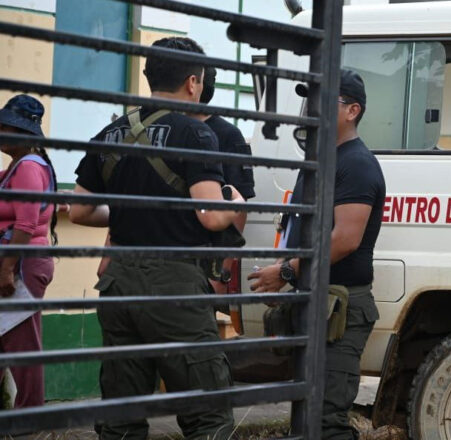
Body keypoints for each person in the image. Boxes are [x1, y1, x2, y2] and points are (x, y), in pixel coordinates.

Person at [69, 37, 242, 440]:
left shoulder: (110, 133)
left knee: (121, 416)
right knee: (208, 413)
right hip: (173, 286)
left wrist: (134, 209)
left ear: (148, 77)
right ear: (194, 83)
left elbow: (79, 211)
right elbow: (213, 216)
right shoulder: (196, 135)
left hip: (118, 282)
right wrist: (232, 200)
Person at [248, 69, 386, 440]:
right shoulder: (323, 160)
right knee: (306, 417)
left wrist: (288, 272)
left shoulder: (355, 163)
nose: (312, 107)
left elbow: (345, 239)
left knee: (325, 422)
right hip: (314, 302)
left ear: (352, 110)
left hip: (339, 308)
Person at [0, 94, 57, 408]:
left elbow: (26, 221)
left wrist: (7, 268)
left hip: (22, 264)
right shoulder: (17, 167)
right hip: (18, 260)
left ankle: (30, 415)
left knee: (21, 342)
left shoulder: (27, 168)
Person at [194, 66, 255, 296]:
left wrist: (222, 269)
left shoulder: (228, 136)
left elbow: (239, 207)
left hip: (205, 261)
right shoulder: (170, 129)